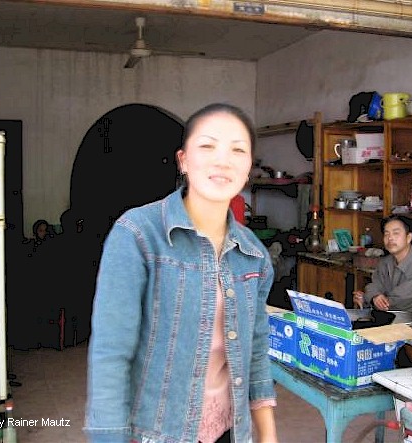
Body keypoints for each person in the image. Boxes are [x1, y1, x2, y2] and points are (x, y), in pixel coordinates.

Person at [84, 103, 278, 443]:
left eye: (238, 150)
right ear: (183, 160)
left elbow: (256, 351)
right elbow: (111, 355)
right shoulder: (137, 234)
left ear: (248, 167)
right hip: (157, 432)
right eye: (207, 146)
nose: (223, 160)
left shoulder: (254, 255)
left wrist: (268, 436)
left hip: (230, 431)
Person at [353, 214, 412, 318]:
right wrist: (375, 296)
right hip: (395, 318)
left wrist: (368, 298)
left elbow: (396, 302)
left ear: (409, 237)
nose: (390, 238)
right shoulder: (386, 262)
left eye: (396, 233)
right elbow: (374, 285)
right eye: (386, 234)